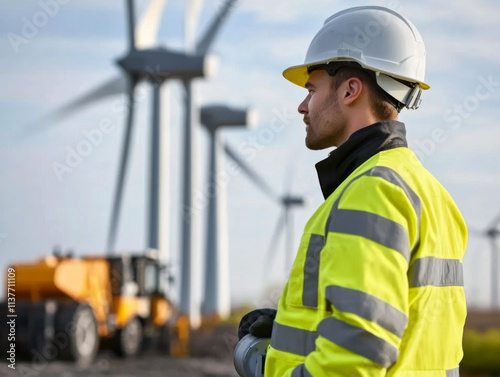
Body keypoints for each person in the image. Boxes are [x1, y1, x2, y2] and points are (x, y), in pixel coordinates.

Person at [238, 6, 467, 377]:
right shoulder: (430, 192)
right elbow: (406, 324)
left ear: (350, 90)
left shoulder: (372, 190)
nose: (301, 106)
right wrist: (291, 328)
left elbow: (359, 352)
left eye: (311, 90)